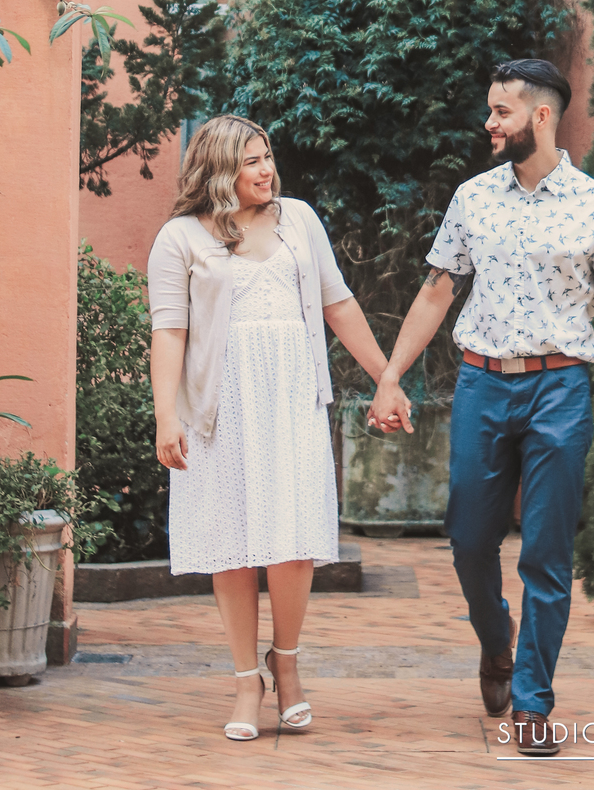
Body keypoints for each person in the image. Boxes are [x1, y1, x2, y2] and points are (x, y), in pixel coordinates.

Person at [367, 59, 594, 758]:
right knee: (469, 540)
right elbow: (437, 290)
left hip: (560, 390)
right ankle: (497, 643)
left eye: (501, 112)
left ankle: (532, 701)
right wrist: (391, 376)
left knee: (547, 553)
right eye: (490, 111)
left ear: (540, 116)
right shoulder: (472, 199)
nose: (488, 123)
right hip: (483, 384)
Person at [147, 114, 389, 742]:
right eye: (251, 161)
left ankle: (287, 662)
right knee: (231, 541)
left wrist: (385, 378)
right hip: (217, 409)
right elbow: (168, 330)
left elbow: (338, 303)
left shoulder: (298, 219)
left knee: (293, 538)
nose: (266, 170)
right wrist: (166, 415)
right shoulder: (179, 237)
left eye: (268, 157)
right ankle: (245, 681)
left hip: (290, 400)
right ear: (219, 169)